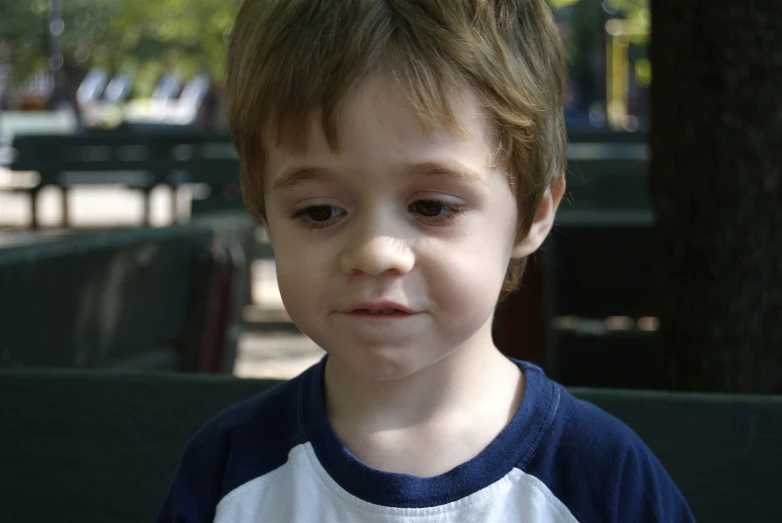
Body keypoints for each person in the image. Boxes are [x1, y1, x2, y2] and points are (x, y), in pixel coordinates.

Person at [157, 1, 695, 521]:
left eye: (431, 207)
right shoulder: (226, 475)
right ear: (265, 216)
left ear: (532, 215)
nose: (374, 253)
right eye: (320, 211)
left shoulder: (603, 482)